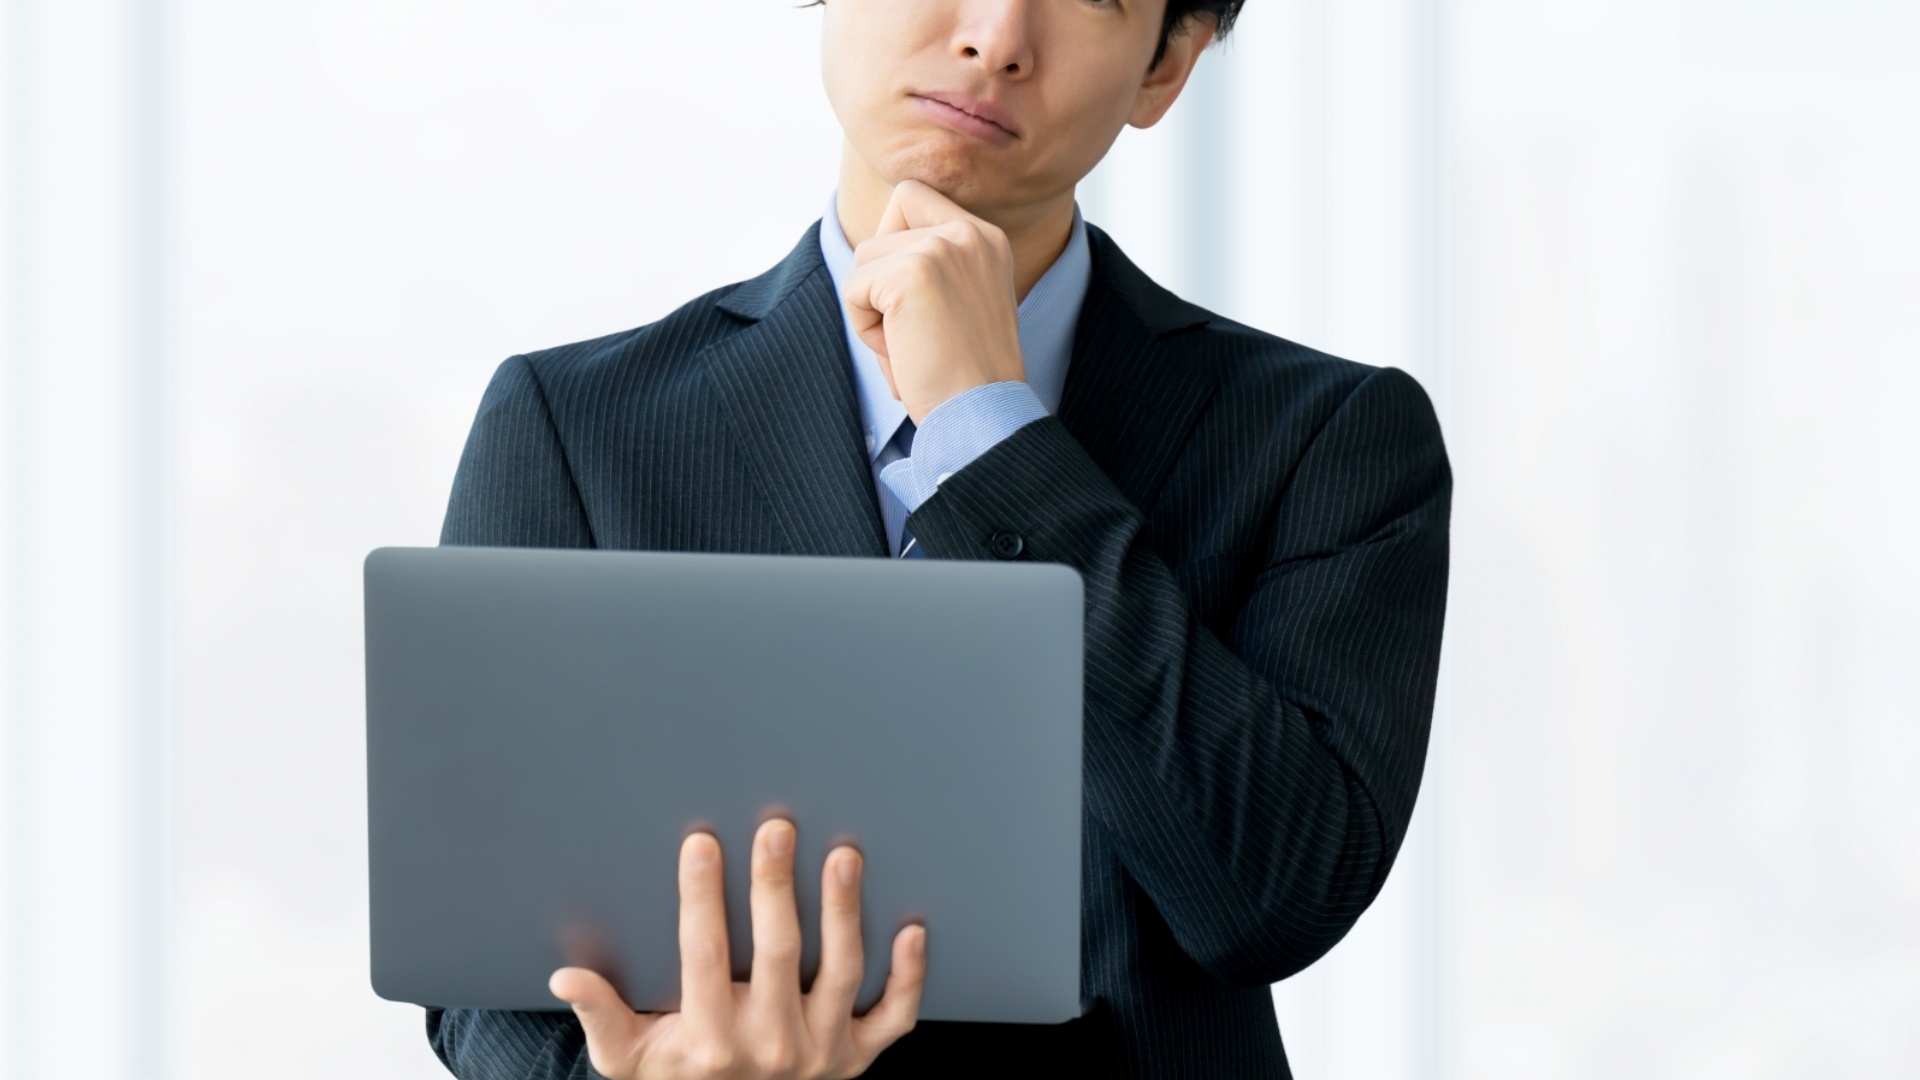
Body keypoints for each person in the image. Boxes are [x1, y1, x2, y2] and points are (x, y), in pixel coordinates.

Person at [427, 0, 1450, 1076]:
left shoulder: (1327, 438)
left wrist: (988, 435)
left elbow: (1273, 897)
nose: (996, 35)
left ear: (1167, 66)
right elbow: (481, 962)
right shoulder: (575, 426)